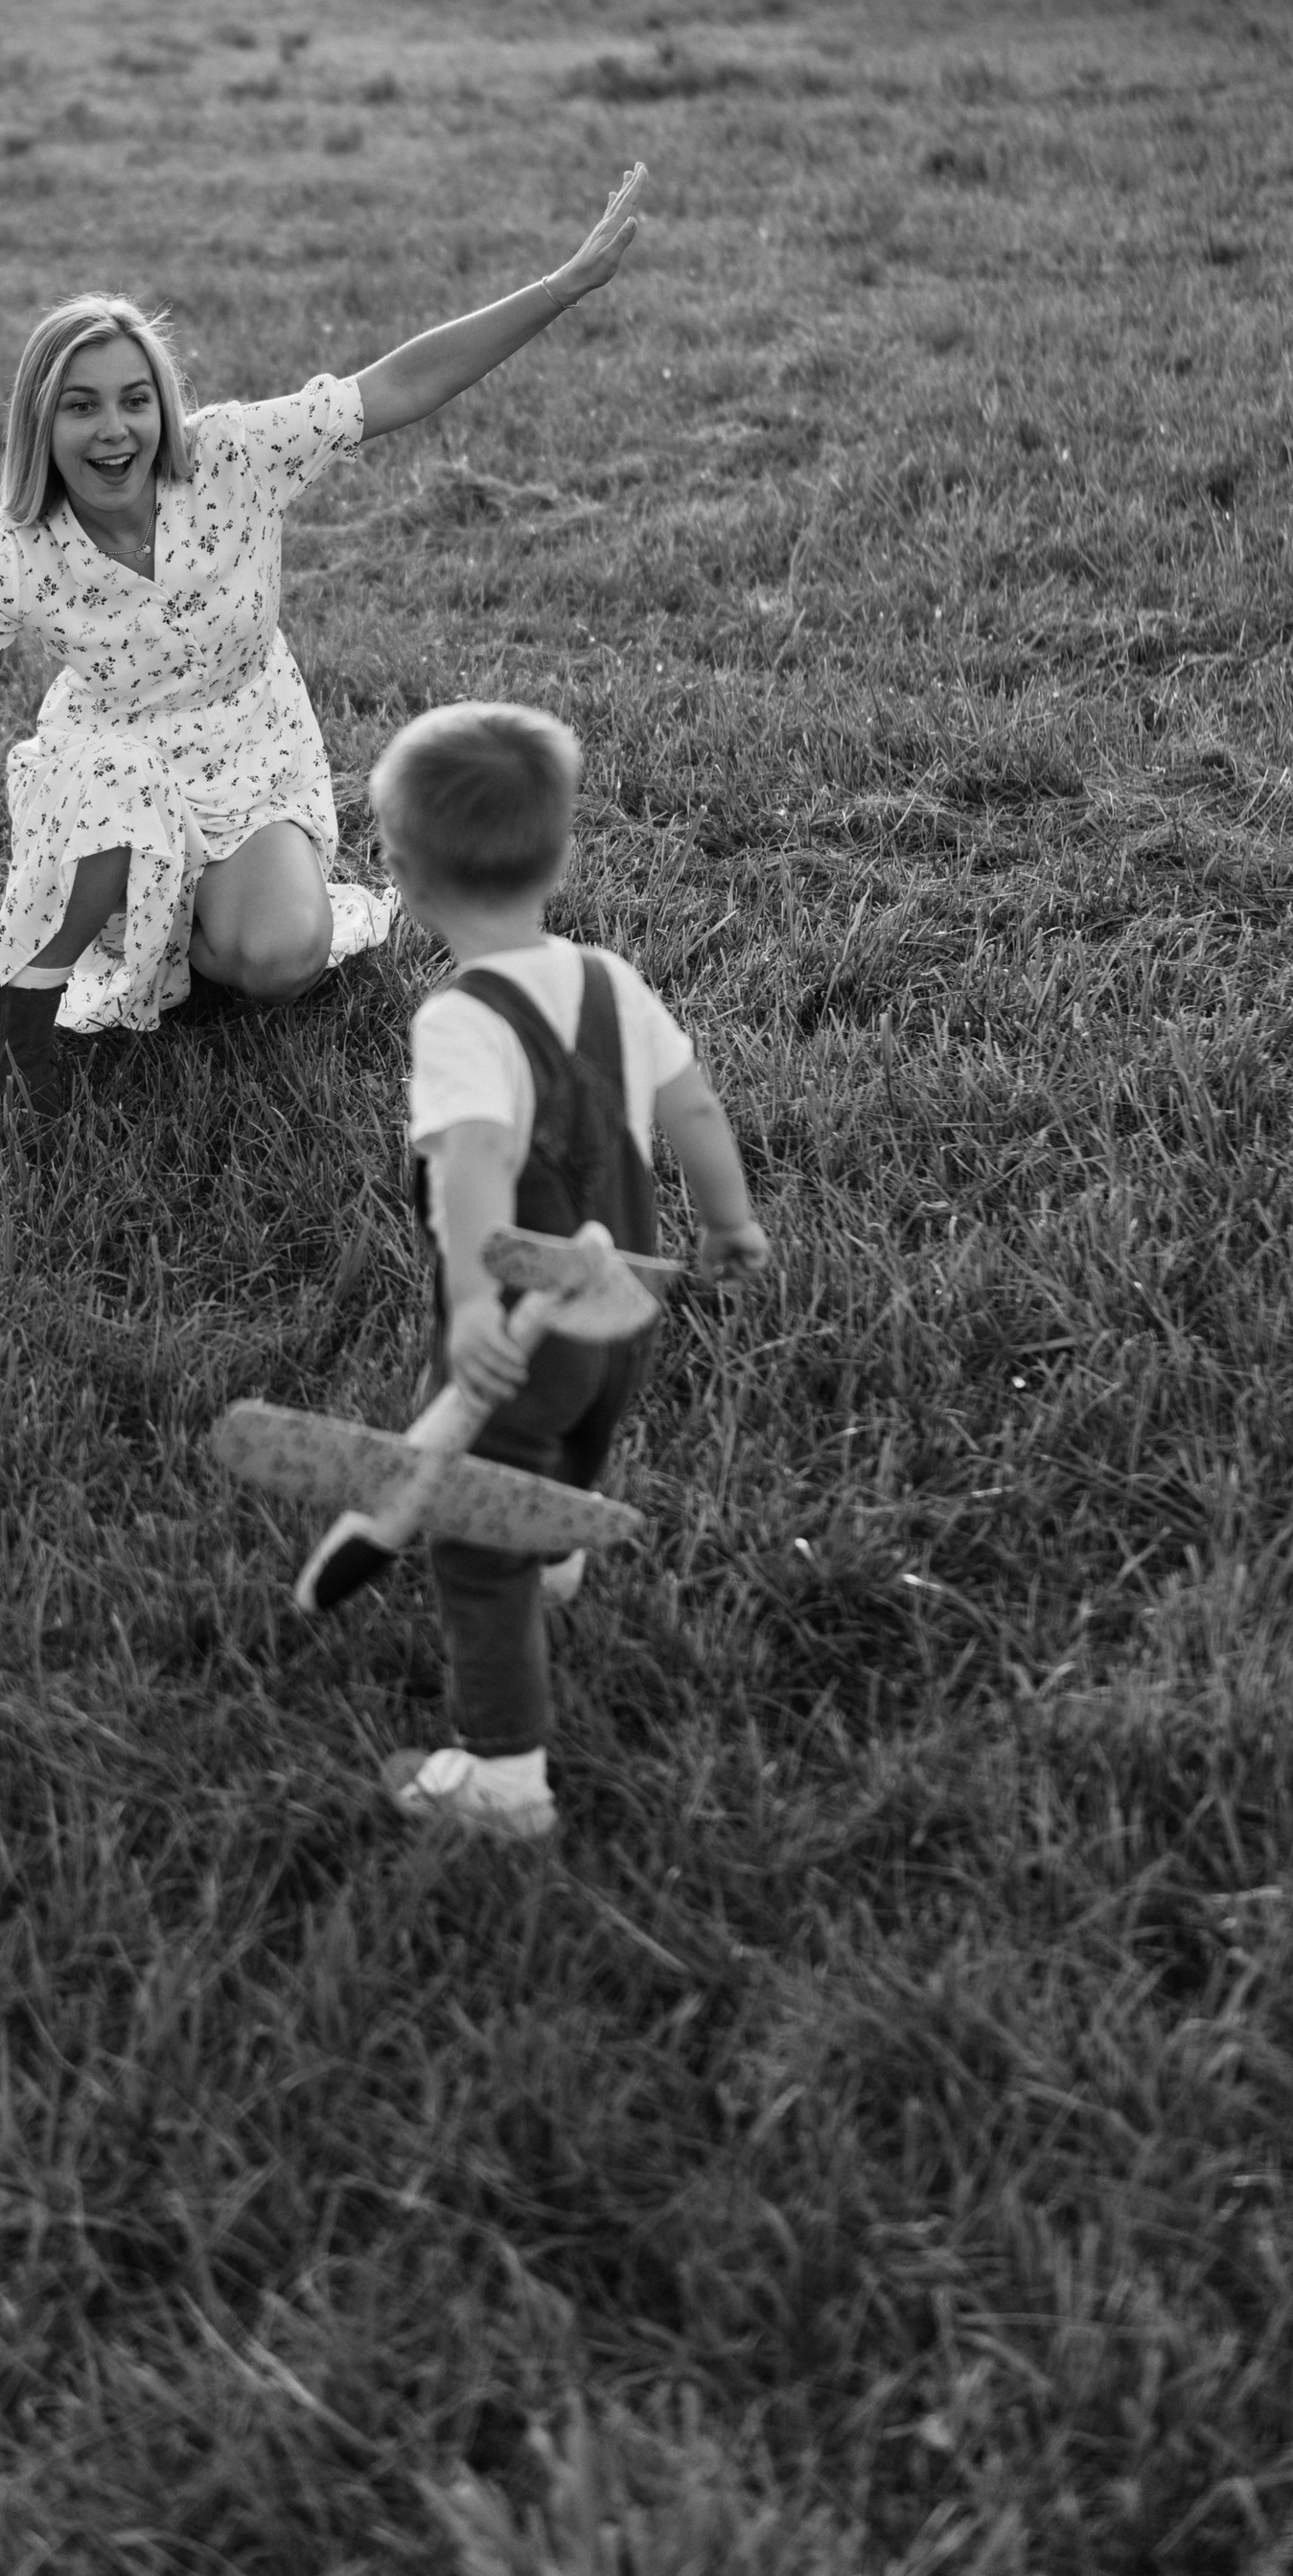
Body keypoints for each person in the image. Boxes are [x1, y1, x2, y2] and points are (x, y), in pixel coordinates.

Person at [0, 170, 647, 1116]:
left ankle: (183, 933)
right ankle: (37, 992)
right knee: (111, 790)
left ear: (165, 408)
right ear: (41, 427)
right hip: (113, 778)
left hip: (249, 750)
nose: (115, 431)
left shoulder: (234, 456)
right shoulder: (22, 556)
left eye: (136, 402)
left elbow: (399, 384)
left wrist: (560, 286)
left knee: (278, 961)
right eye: (82, 408)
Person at [364, 698, 769, 1846]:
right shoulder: (606, 978)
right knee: (576, 1436)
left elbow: (478, 1162)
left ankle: (502, 1777)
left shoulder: (460, 1017)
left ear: (400, 874)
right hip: (627, 1310)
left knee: (468, 1542)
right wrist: (728, 1227)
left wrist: (484, 1299)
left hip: (524, 1333)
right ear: (563, 852)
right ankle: (554, 1551)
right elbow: (691, 1104)